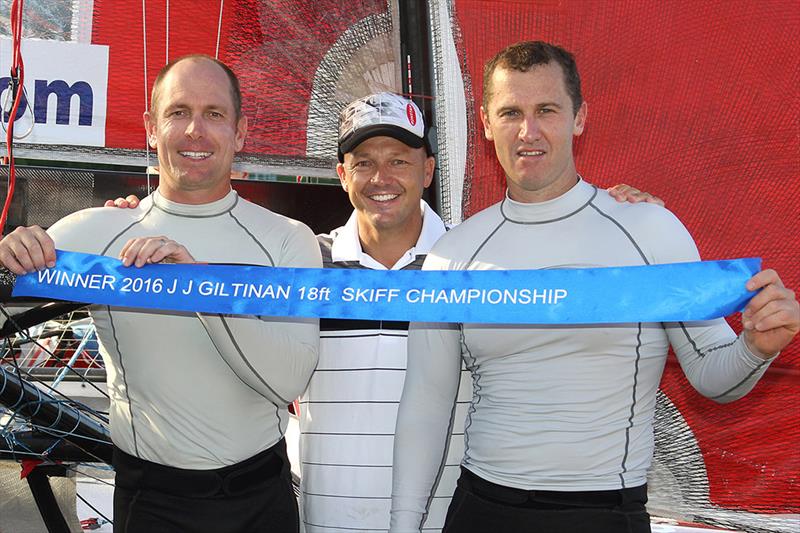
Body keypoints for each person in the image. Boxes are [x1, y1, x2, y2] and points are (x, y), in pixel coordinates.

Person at [105, 90, 663, 532]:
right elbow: (212, 272)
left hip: (451, 519)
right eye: (364, 162)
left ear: (428, 171)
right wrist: (129, 222)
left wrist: (611, 213)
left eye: (400, 159)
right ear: (342, 175)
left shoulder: (475, 263)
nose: (382, 177)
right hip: (325, 520)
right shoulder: (304, 264)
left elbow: (561, 257)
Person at [389, 41, 800, 533]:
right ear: (484, 122)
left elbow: (714, 376)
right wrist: (402, 526)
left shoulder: (650, 230)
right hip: (482, 509)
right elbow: (426, 407)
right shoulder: (453, 255)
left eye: (547, 110)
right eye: (510, 112)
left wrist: (756, 347)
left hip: (604, 514)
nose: (528, 131)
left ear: (579, 118)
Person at [0, 54, 321, 533]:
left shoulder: (288, 239)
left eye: (214, 113)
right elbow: (12, 279)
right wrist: (9, 252)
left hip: (261, 500)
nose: (195, 129)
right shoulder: (97, 232)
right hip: (153, 502)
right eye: (178, 112)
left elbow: (287, 381)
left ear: (240, 132)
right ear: (151, 128)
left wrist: (198, 285)